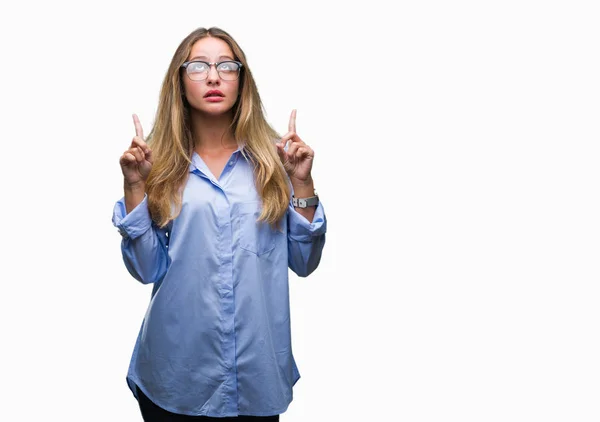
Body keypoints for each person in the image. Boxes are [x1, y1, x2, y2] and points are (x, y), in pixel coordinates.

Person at [111, 26, 327, 421]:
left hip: (255, 377)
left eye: (227, 66)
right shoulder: (156, 165)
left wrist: (301, 182)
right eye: (198, 66)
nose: (213, 76)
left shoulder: (275, 163)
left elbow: (304, 262)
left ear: (242, 81)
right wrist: (136, 187)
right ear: (180, 81)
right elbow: (146, 270)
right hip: (175, 378)